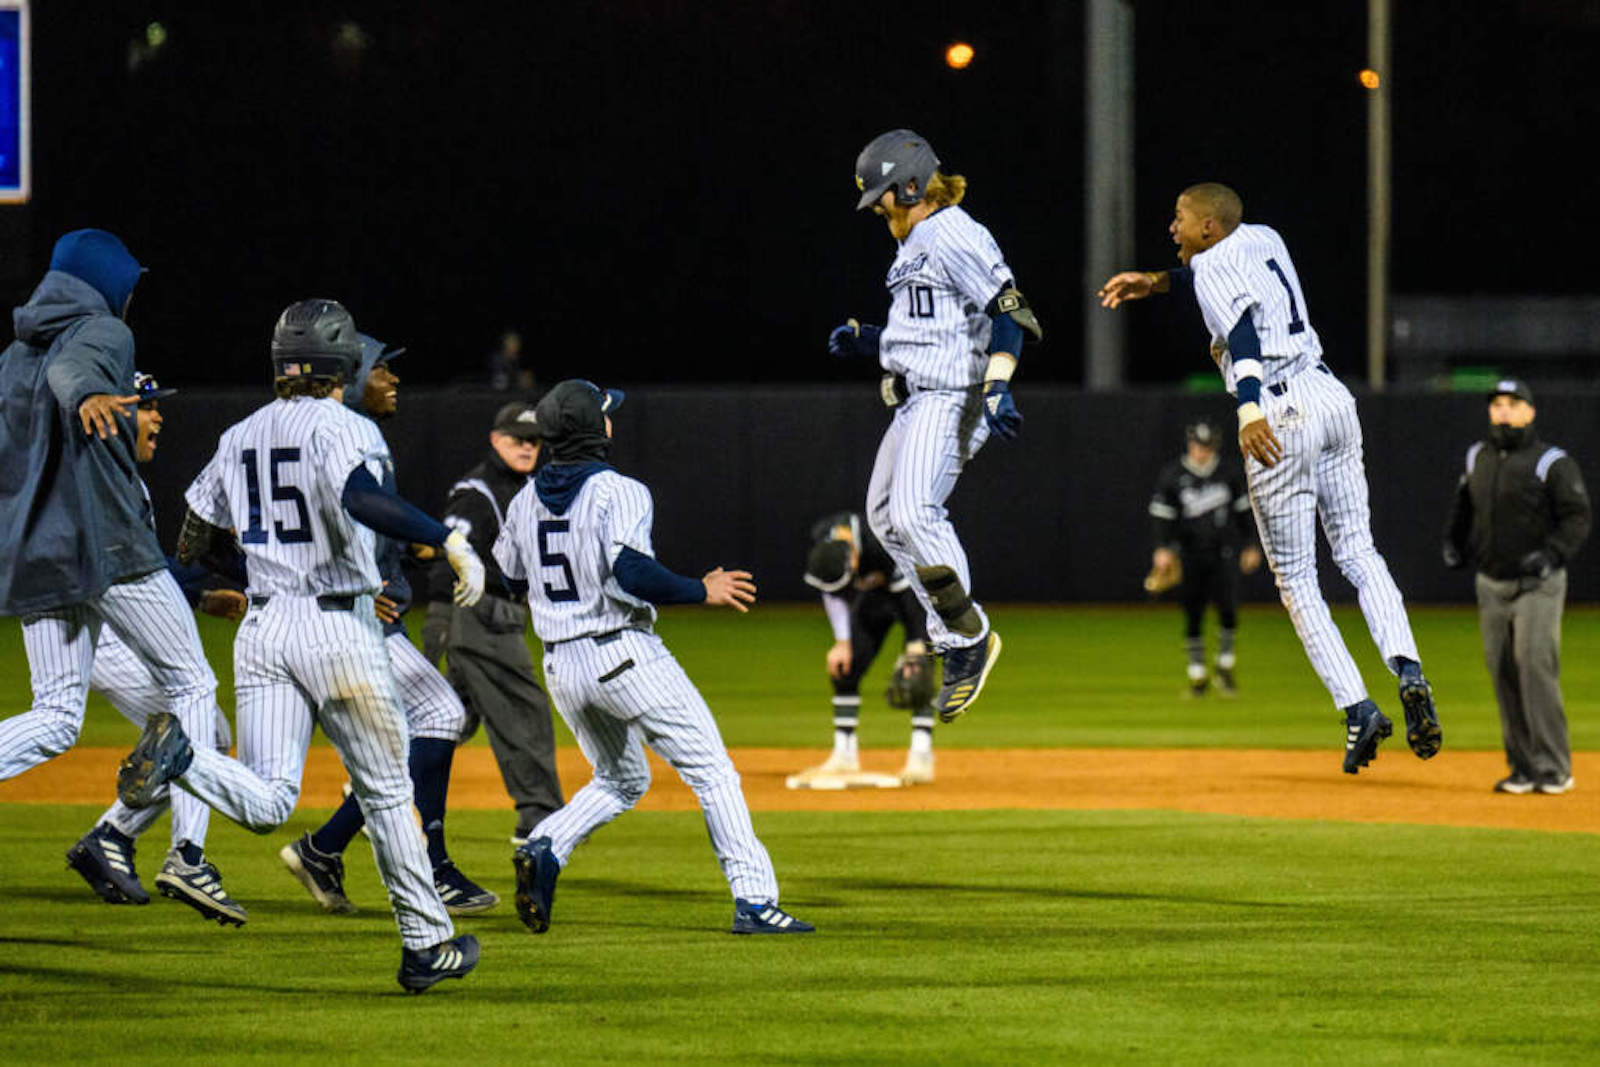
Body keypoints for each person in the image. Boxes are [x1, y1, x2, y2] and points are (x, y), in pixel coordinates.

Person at [119, 298, 484, 992]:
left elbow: (192, 538)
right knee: (385, 788)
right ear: (344, 361)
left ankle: (182, 756)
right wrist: (446, 536)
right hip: (337, 626)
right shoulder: (345, 427)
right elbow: (361, 498)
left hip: (263, 626)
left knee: (268, 800)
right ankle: (426, 943)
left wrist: (256, 570)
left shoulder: (240, 433)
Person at [1097, 182, 1441, 774]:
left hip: (1278, 408)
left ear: (1208, 227)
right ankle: (1408, 668)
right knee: (1359, 551)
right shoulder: (1263, 237)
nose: (1172, 228)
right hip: (1331, 395)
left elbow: (1244, 332)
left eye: (1180, 218)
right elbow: (1211, 281)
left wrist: (1249, 406)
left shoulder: (1210, 265)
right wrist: (1154, 282)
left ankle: (1358, 708)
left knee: (1297, 579)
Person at [500, 379, 813, 935]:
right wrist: (700, 589)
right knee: (712, 771)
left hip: (562, 665)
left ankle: (547, 842)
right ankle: (756, 901)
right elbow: (631, 573)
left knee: (621, 779)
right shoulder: (618, 490)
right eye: (604, 413)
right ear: (595, 431)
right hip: (621, 652)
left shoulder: (523, 500)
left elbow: (507, 576)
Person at [0, 229, 250, 916]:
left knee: (54, 716)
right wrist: (85, 393)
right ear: (108, 280)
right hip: (104, 547)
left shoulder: (10, 358)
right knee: (193, 683)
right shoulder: (104, 332)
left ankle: (128, 839)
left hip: (36, 554)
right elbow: (73, 370)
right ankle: (189, 856)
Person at [277, 334, 498, 916]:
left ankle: (328, 848)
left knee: (399, 745)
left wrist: (405, 555)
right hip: (339, 620)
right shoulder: (344, 436)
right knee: (437, 717)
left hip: (328, 618)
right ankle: (428, 868)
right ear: (348, 378)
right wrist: (355, 586)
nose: (392, 380)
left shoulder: (324, 436)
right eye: (381, 370)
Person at [827, 129, 1041, 723]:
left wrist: (997, 384)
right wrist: (871, 340)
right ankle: (956, 626)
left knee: (917, 512)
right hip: (917, 398)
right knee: (884, 518)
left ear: (913, 185)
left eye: (883, 197)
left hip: (953, 396)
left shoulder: (952, 232)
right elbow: (930, 331)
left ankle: (967, 639)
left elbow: (1009, 308)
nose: (879, 209)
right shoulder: (915, 243)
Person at [64, 371, 249, 923]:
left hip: (119, 635)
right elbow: (130, 572)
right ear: (115, 416)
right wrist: (199, 589)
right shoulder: (96, 481)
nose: (159, 416)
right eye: (146, 406)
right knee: (199, 732)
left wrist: (198, 592)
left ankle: (110, 837)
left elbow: (149, 572)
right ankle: (170, 851)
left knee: (207, 735)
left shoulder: (125, 480)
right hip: (108, 640)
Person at [1444, 379, 1590, 795]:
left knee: (1534, 667)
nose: (1503, 411)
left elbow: (1577, 516)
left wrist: (1552, 554)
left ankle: (1553, 767)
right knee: (1503, 671)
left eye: (1512, 404)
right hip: (1491, 584)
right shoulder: (1478, 456)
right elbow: (1464, 505)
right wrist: (1453, 542)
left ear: (1530, 411)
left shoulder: (1551, 462)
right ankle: (1523, 768)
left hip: (1537, 585)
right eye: (1497, 405)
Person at [433, 401, 564, 845]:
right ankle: (539, 818)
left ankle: (374, 795)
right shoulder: (478, 491)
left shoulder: (521, 487)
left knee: (447, 719)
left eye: (534, 440)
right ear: (495, 439)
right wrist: (441, 621)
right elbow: (446, 559)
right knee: (523, 710)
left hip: (489, 613)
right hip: (473, 614)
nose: (527, 446)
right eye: (516, 438)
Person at [789, 511, 938, 786]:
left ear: (854, 559)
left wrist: (917, 646)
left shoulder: (879, 543)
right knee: (845, 665)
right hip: (874, 596)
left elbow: (913, 600)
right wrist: (842, 643)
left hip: (915, 592)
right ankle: (844, 754)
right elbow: (831, 592)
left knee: (918, 670)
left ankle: (921, 754)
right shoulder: (825, 540)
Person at [1146, 418, 1262, 696]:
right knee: (1193, 610)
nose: (1202, 451)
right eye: (1198, 445)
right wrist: (1162, 548)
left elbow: (1244, 511)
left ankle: (1225, 665)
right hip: (1188, 553)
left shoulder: (1228, 472)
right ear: (1190, 444)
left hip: (1224, 551)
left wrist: (1250, 544)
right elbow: (1162, 516)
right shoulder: (1173, 474)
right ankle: (1197, 673)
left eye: (1207, 446)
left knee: (1229, 608)